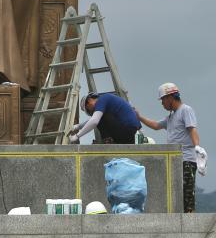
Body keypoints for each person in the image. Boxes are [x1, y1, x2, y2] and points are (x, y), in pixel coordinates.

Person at [137, 82, 206, 213]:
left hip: (186, 160)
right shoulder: (171, 116)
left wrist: (197, 147)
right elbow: (156, 125)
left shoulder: (185, 110)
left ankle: (189, 222)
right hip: (176, 161)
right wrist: (139, 117)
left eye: (163, 100)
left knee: (187, 195)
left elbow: (192, 129)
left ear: (170, 97)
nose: (162, 104)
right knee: (176, 195)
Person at [68, 92, 141, 144]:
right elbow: (93, 120)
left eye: (88, 109)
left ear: (89, 100)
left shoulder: (102, 99)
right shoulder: (108, 101)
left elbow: (94, 121)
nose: (91, 111)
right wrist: (77, 127)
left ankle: (108, 141)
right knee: (98, 117)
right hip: (132, 134)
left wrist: (77, 136)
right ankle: (110, 141)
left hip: (128, 131)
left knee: (98, 117)